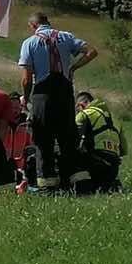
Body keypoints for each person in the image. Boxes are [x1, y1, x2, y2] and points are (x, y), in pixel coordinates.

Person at [17, 11, 97, 190]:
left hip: (43, 93)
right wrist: (73, 67)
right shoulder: (66, 37)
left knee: (43, 138)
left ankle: (47, 183)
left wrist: (26, 97)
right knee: (68, 137)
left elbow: (26, 79)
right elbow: (92, 51)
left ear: (33, 26)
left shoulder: (29, 43)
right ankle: (77, 182)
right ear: (48, 23)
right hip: (64, 91)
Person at [74, 91, 126, 194]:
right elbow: (124, 150)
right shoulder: (115, 120)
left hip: (94, 164)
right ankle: (110, 184)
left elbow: (73, 140)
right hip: (114, 168)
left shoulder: (84, 114)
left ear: (81, 105)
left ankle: (83, 189)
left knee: (71, 156)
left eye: (77, 108)